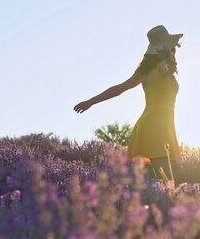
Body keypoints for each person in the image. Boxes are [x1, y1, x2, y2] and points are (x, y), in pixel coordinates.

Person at [73, 25, 183, 182]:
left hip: (164, 126)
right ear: (162, 50)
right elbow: (118, 89)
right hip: (154, 127)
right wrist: (91, 102)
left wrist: (90, 102)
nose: (174, 50)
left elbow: (120, 89)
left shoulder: (151, 71)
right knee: (166, 182)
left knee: (160, 182)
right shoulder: (161, 68)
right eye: (171, 47)